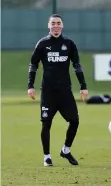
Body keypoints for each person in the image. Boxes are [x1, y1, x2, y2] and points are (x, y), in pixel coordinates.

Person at [27, 14, 88, 167]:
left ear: (62, 25)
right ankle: (47, 157)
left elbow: (77, 65)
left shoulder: (69, 43)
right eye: (53, 23)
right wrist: (30, 86)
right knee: (46, 123)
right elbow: (33, 65)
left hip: (65, 91)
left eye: (58, 23)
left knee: (75, 121)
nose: (56, 26)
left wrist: (83, 86)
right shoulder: (42, 44)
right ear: (49, 26)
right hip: (48, 91)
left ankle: (65, 150)